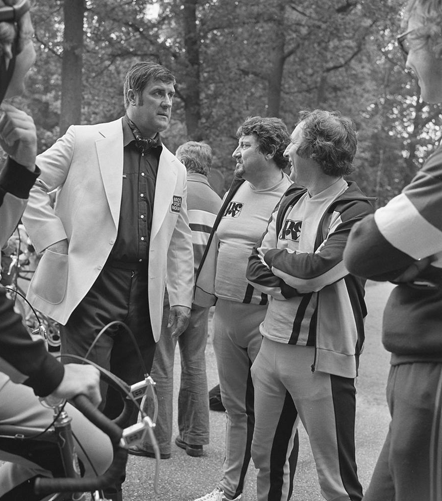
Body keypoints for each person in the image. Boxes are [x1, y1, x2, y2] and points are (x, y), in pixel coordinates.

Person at [0, 1, 113, 500]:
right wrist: (49, 372)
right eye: (33, 38)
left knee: (92, 451)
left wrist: (18, 168)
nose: (36, 53)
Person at [22, 61, 195, 500]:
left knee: (125, 401)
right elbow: (29, 184)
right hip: (90, 289)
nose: (167, 103)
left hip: (145, 298)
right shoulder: (84, 139)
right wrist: (53, 241)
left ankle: (109, 486)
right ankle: (77, 488)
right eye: (157, 93)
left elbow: (177, 239)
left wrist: (181, 297)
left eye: (170, 95)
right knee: (87, 398)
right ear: (131, 97)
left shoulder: (175, 168)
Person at [246, 109, 373, 501]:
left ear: (316, 152)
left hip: (323, 358)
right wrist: (288, 277)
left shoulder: (354, 210)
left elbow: (314, 272)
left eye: (293, 142)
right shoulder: (291, 199)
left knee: (335, 479)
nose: (286, 151)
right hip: (271, 346)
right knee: (266, 461)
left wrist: (275, 258)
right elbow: (253, 266)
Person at [343, 1, 442, 499]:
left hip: (432, 381)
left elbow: (365, 251)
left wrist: (412, 261)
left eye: (409, 40)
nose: (405, 59)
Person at [193, 117, 295, 501]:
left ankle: (273, 492)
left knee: (274, 415)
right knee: (235, 408)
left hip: (266, 317)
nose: (236, 152)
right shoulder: (236, 189)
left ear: (268, 151)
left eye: (245, 145)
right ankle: (227, 487)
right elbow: (217, 246)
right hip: (226, 314)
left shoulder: (292, 196)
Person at [128, 141, 222, 460]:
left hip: (172, 288)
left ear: (182, 163)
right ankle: (195, 437)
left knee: (161, 363)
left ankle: (155, 440)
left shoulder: (172, 188)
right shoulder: (219, 201)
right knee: (195, 362)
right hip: (202, 294)